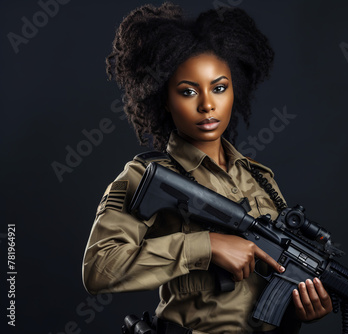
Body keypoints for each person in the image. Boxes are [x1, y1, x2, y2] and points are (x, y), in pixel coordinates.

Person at [82, 2, 333, 333]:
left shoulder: (259, 178)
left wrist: (300, 311)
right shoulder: (144, 178)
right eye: (188, 91)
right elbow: (100, 269)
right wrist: (207, 246)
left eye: (219, 87)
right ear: (164, 99)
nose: (207, 104)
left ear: (234, 90)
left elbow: (271, 284)